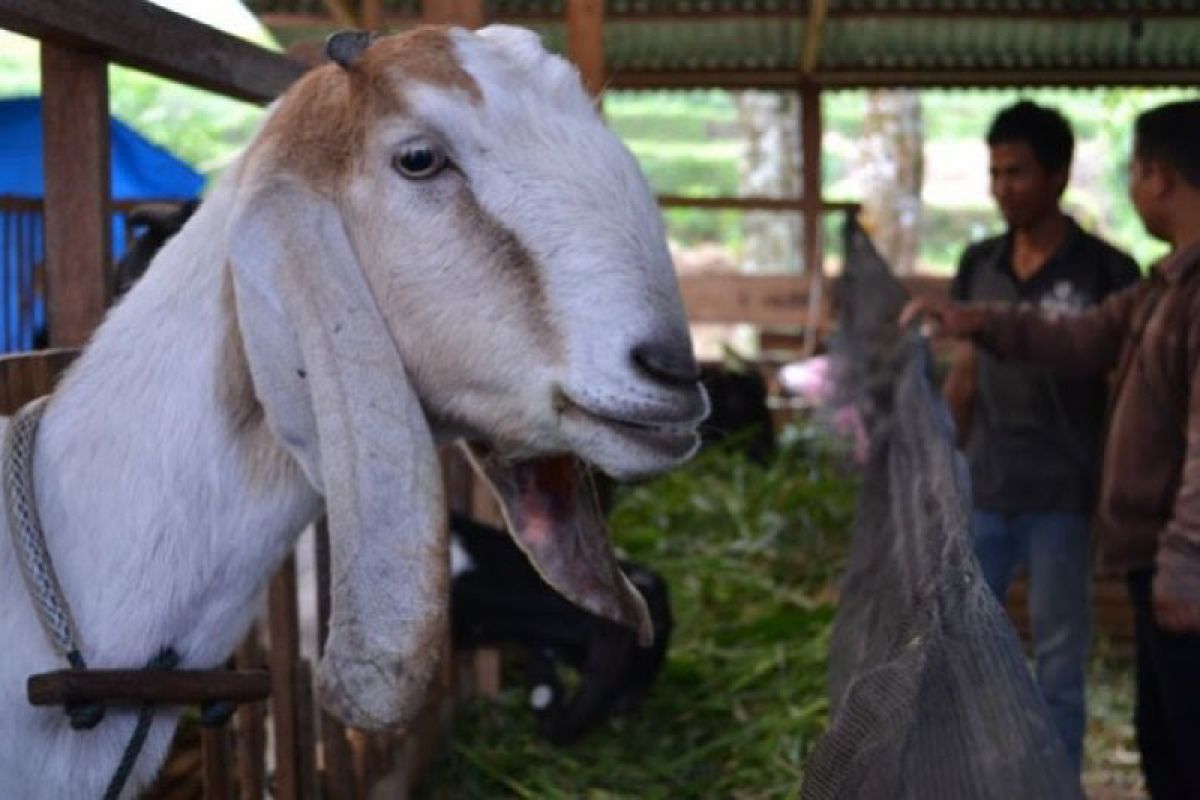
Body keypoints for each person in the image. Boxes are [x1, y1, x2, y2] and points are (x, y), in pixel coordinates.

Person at [903, 100, 1200, 800]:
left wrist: (1187, 557)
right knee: (1163, 738)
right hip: (1041, 506)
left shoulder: (1138, 276)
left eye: (1134, 172)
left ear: (1156, 178)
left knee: (1104, 691)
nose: (1003, 187)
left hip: (1099, 518)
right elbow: (1076, 337)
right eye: (995, 173)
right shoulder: (1163, 286)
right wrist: (974, 320)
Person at [941, 100, 1140, 772]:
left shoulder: (1108, 272)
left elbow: (1124, 393)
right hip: (987, 488)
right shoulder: (979, 262)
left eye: (1017, 173)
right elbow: (965, 374)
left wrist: (1116, 496)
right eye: (994, 173)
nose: (1002, 188)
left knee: (1058, 659)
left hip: (1063, 495)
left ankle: (1055, 785)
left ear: (1058, 175)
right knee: (966, 650)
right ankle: (971, 778)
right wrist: (942, 464)